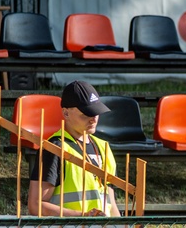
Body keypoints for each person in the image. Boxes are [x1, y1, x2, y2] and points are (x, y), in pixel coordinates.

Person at [28, 80, 120, 217]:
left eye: (96, 113)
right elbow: (36, 205)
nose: (93, 119)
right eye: (86, 114)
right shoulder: (54, 148)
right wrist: (83, 216)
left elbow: (110, 202)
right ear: (66, 113)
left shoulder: (103, 146)